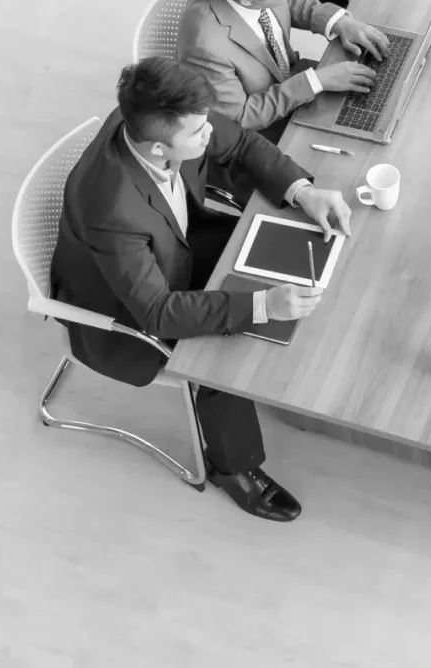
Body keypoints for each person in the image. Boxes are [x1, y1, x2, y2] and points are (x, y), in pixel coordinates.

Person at [50, 58, 353, 522]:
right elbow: (157, 312)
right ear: (157, 150)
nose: (209, 134)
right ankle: (234, 468)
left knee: (280, 247)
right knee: (226, 349)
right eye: (197, 134)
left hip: (176, 245)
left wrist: (301, 190)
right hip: (128, 311)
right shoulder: (111, 209)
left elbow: (243, 144)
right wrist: (261, 304)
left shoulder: (168, 117)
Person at [177, 0, 389, 144]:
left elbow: (288, 0)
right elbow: (240, 119)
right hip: (260, 130)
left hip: (289, 80)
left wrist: (337, 22)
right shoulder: (206, 46)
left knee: (378, 101)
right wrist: (315, 82)